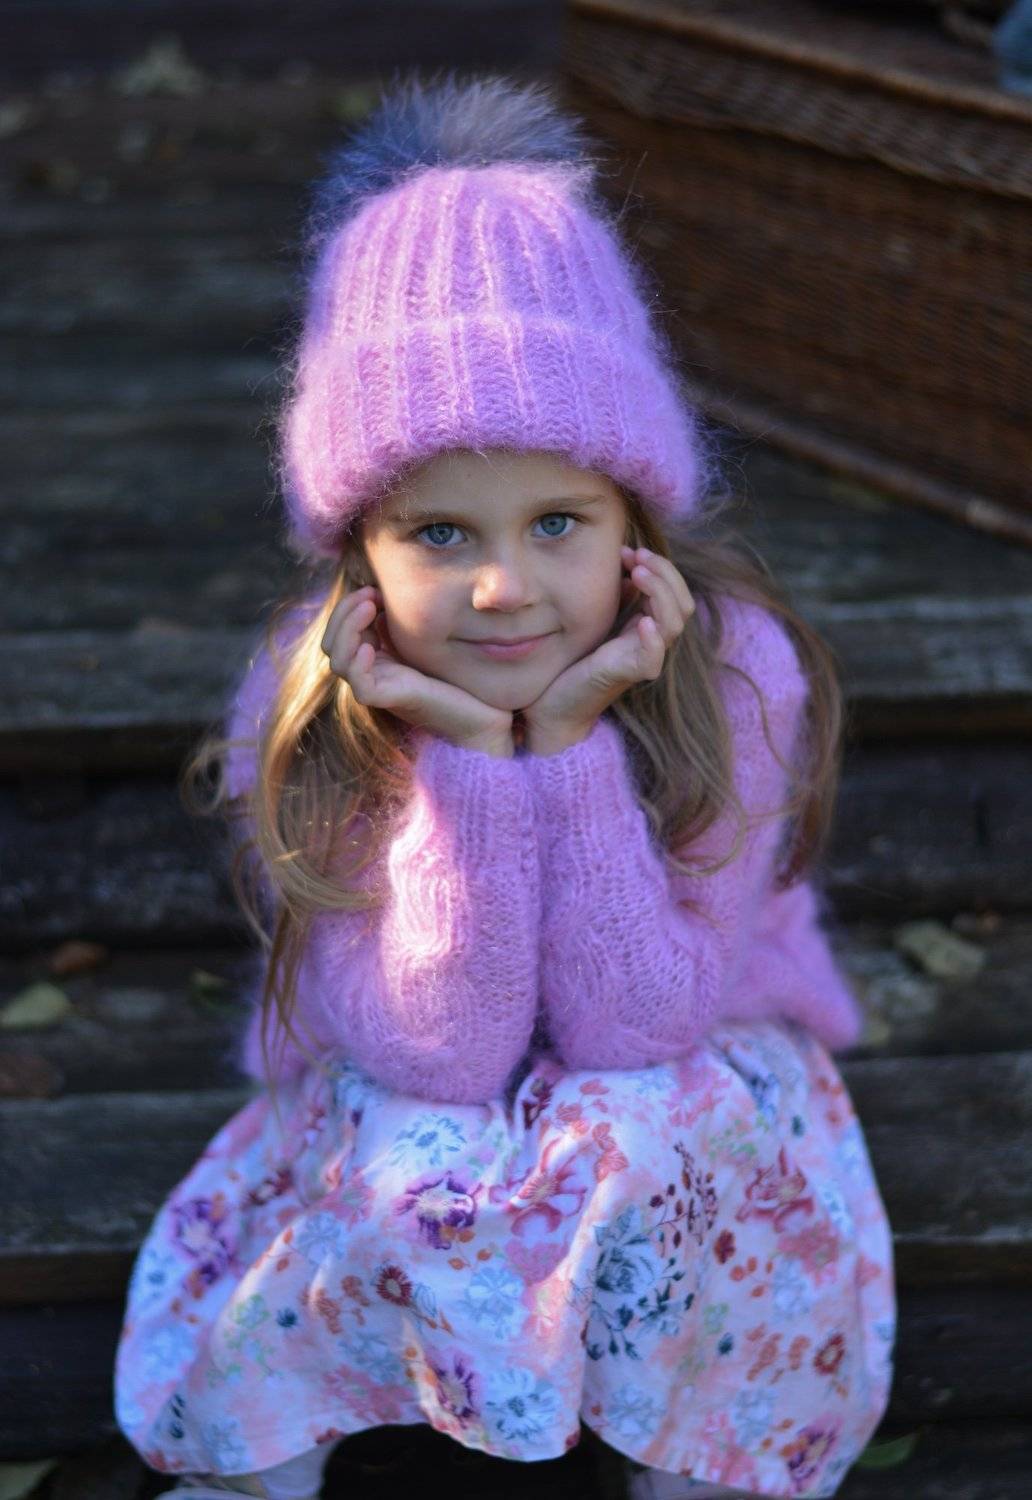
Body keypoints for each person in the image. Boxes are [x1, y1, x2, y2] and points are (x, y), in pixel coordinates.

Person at [112, 70, 896, 1500]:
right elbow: (439, 1052)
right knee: (409, 1140)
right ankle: (262, 1460)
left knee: (647, 1124)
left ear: (636, 522)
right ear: (358, 547)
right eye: (438, 533)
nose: (502, 587)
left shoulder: (733, 669)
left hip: (683, 1065)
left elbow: (637, 1025)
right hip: (418, 1080)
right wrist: (473, 763)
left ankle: (711, 1459)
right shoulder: (313, 693)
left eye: (555, 522)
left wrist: (577, 756)